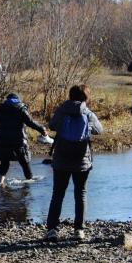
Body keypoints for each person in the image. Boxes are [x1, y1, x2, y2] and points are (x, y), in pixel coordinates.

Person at [44, 85, 102, 243]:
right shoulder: (88, 113)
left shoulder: (62, 110)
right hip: (81, 159)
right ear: (86, 97)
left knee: (58, 194)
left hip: (61, 158)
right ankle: (79, 230)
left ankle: (52, 230)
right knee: (80, 193)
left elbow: (52, 126)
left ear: (70, 95)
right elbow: (99, 130)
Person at [0, 92, 49, 187]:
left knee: (5, 161)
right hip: (18, 140)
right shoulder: (21, 108)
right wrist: (42, 130)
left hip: (3, 139)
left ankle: (0, 183)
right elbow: (30, 122)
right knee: (24, 161)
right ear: (18, 99)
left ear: (7, 99)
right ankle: (29, 181)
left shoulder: (1, 108)